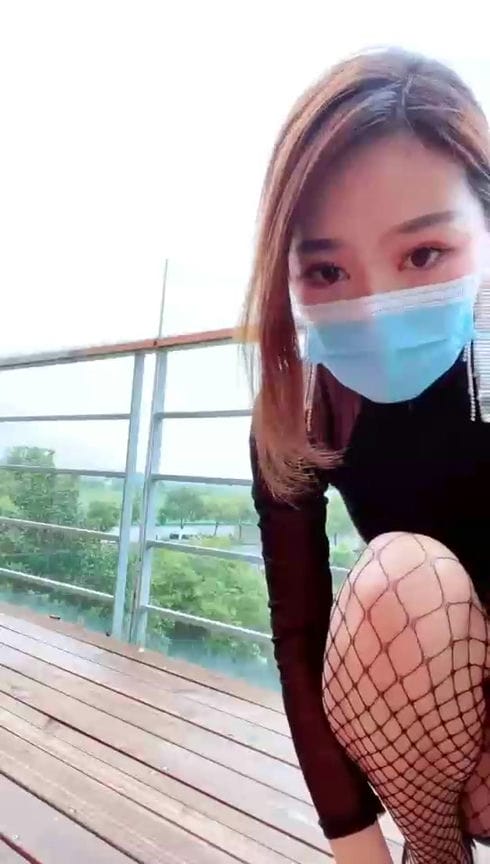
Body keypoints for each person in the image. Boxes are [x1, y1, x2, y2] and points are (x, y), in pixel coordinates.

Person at [243, 48, 490, 864]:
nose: (377, 308)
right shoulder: (304, 399)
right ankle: (435, 852)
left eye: (424, 254)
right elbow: (299, 630)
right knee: (397, 576)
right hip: (430, 715)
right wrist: (354, 841)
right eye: (327, 269)